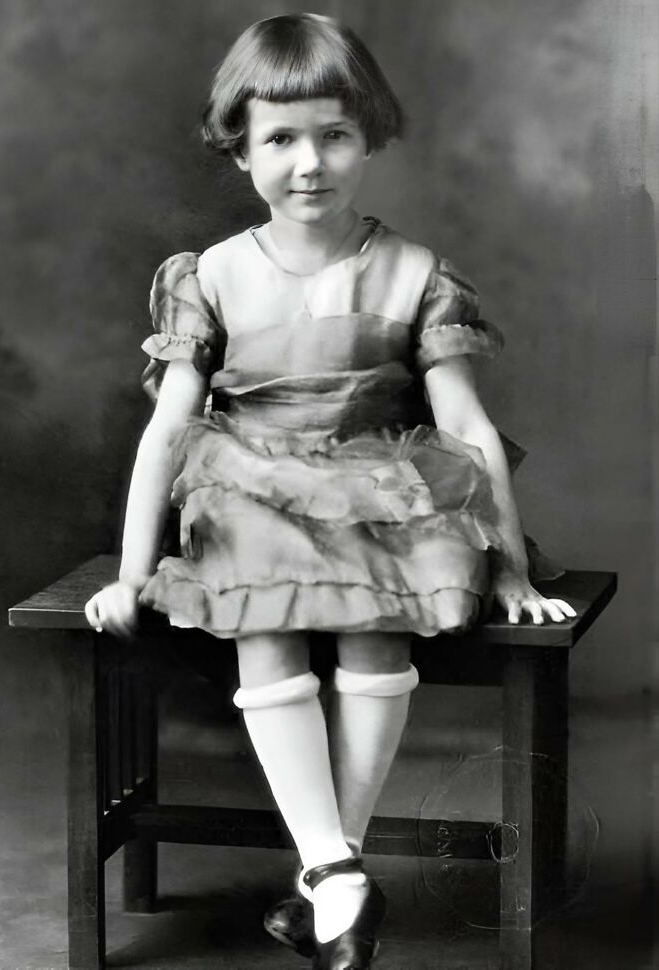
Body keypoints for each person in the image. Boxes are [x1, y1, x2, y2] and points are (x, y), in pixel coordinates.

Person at [85, 13, 576, 969]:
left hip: (381, 485)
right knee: (263, 610)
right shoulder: (214, 276)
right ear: (240, 150)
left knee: (384, 614)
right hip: (249, 488)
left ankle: (327, 875)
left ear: (368, 138)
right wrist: (132, 572)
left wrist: (511, 567)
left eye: (334, 135)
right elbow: (168, 432)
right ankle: (338, 873)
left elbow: (468, 429)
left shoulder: (416, 272)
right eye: (280, 138)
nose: (309, 163)